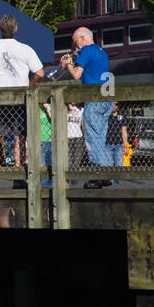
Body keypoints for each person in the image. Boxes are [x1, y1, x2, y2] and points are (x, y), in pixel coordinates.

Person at [0, 14, 45, 189]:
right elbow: (40, 73)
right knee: (19, 137)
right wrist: (29, 84)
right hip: (20, 99)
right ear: (15, 29)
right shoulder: (25, 49)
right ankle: (18, 175)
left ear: (0, 29)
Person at [61, 26, 112, 188]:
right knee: (100, 137)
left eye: (77, 43)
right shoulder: (102, 51)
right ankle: (105, 173)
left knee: (91, 138)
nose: (76, 47)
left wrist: (68, 64)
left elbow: (76, 75)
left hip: (94, 98)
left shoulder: (87, 50)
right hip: (107, 99)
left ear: (83, 38)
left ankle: (98, 175)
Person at [105, 103, 129, 182]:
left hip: (118, 144)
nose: (113, 106)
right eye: (111, 104)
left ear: (118, 106)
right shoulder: (106, 117)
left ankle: (118, 182)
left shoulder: (121, 117)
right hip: (107, 144)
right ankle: (110, 182)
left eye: (115, 104)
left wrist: (125, 147)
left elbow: (124, 132)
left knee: (119, 164)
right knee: (109, 165)